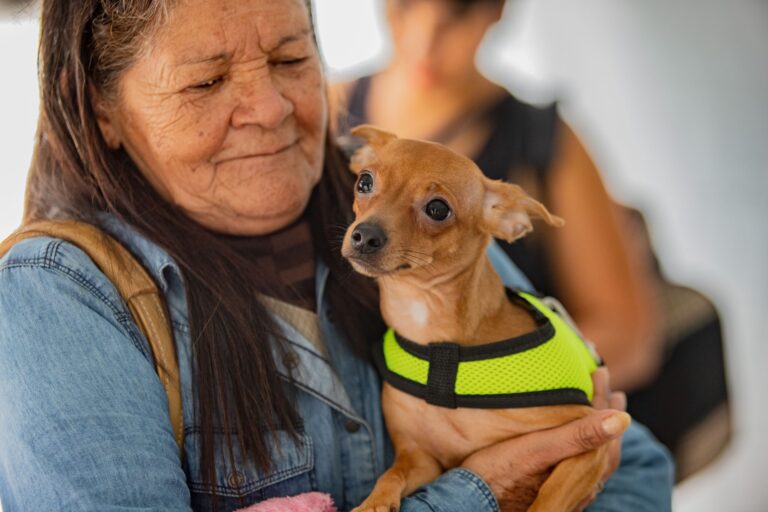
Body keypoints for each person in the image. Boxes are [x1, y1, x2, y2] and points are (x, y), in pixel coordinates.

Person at [0, 0, 673, 510]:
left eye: (292, 59)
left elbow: (637, 469)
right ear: (96, 108)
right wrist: (483, 489)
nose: (269, 106)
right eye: (205, 83)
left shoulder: (419, 236)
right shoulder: (62, 298)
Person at [336, 0, 662, 394]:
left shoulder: (543, 142)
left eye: (455, 18)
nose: (424, 42)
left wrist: (478, 391)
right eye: (404, 7)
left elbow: (627, 336)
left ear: (497, 9)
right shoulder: (330, 107)